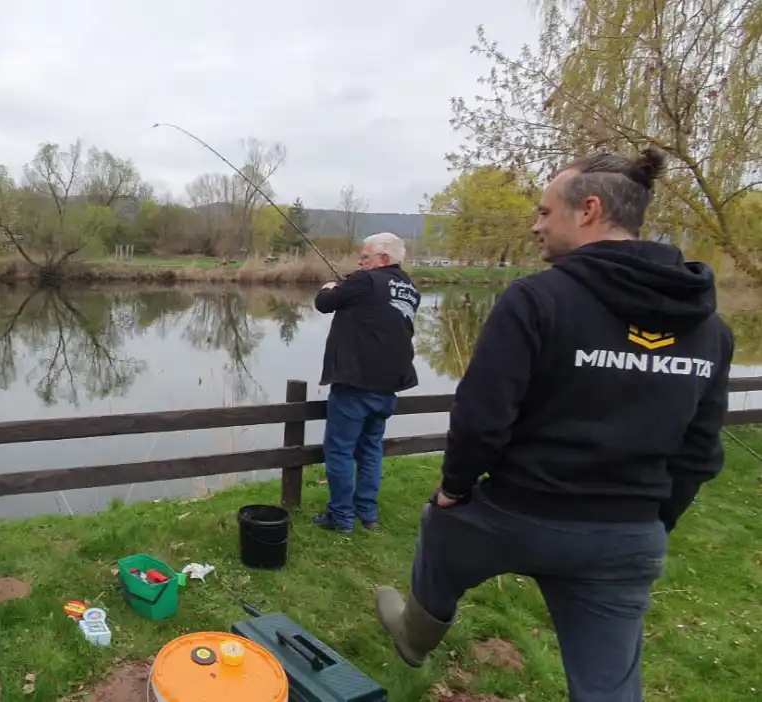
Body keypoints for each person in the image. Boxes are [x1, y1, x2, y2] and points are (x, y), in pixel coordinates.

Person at [373, 148, 734, 701]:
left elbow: (481, 416)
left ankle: (414, 635)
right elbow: (700, 452)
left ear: (588, 210)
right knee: (609, 688)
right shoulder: (711, 329)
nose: (535, 226)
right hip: (627, 536)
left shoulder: (536, 299)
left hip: (514, 516)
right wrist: (652, 522)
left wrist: (454, 488)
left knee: (440, 523)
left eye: (544, 212)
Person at [312, 232, 422, 533]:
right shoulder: (410, 288)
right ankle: (367, 514)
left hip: (355, 384)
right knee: (371, 449)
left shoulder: (365, 281)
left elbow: (325, 303)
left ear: (383, 258)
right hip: (389, 386)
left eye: (365, 257)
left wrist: (329, 287)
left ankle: (341, 517)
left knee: (340, 450)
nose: (360, 262)